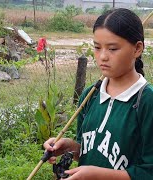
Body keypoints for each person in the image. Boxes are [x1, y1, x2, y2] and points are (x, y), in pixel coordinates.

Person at [44, 8, 153, 180]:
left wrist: (97, 175)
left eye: (112, 49)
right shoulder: (91, 95)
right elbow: (88, 151)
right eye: (97, 47)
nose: (102, 56)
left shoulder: (147, 101)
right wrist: (69, 148)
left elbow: (149, 171)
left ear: (137, 49)